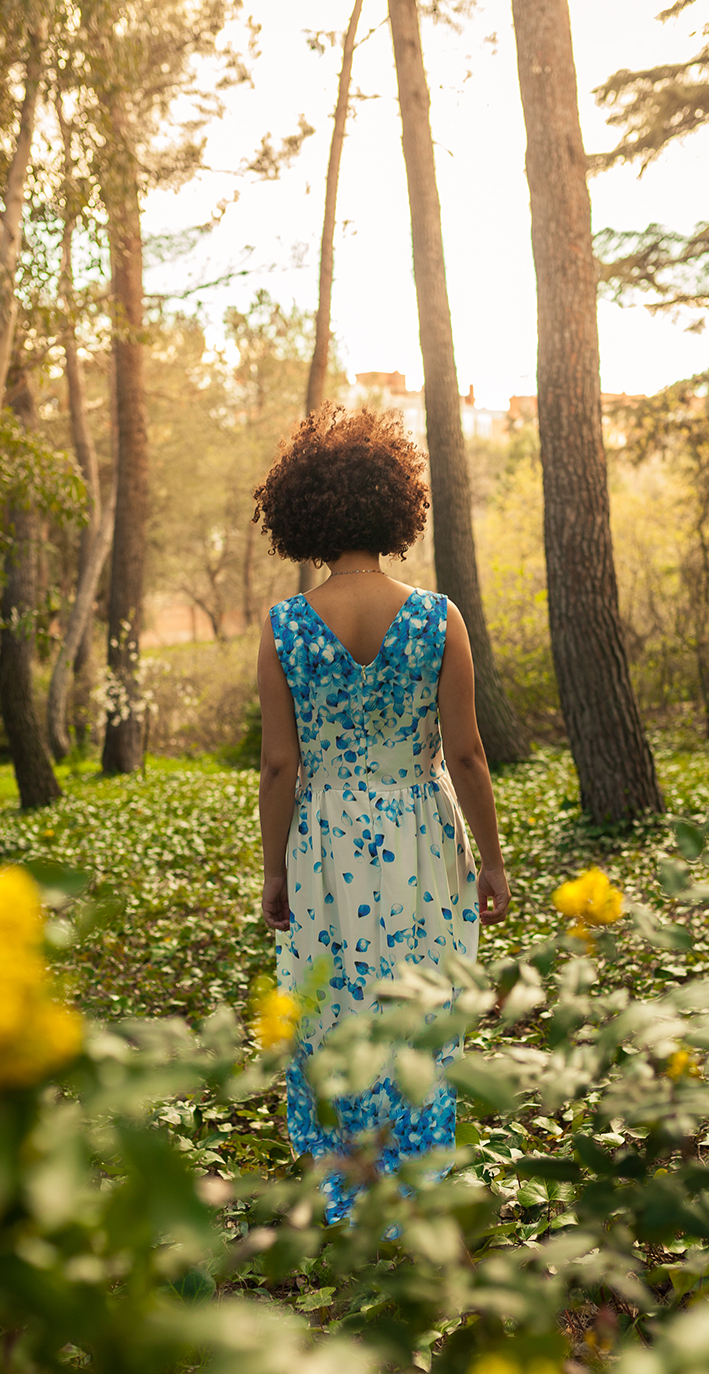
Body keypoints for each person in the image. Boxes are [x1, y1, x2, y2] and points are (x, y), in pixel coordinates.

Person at [254, 403, 511, 1222]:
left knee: (333, 1007)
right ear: (392, 507)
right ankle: (417, 1187)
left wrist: (272, 871)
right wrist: (494, 859)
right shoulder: (439, 619)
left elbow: (278, 764)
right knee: (419, 999)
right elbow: (468, 755)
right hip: (420, 833)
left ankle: (345, 1193)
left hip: (324, 838)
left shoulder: (286, 627)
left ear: (305, 514)